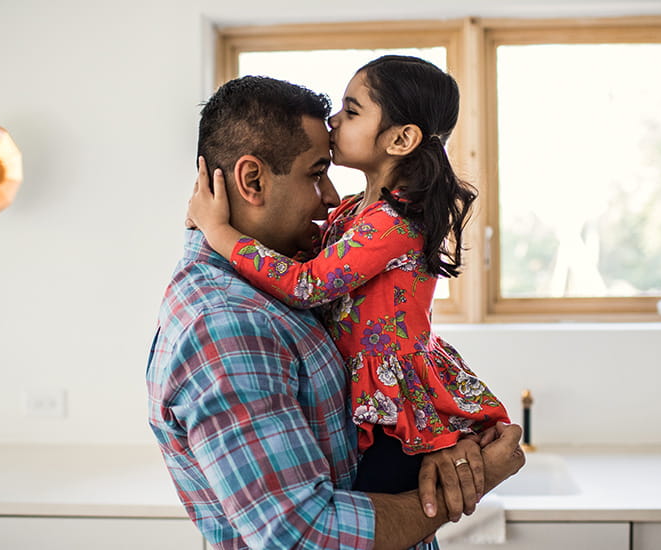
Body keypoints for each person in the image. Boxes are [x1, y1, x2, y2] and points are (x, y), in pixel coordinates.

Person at [148, 74, 525, 550]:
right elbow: (308, 536)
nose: (329, 199)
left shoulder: (290, 279)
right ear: (252, 180)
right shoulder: (228, 325)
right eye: (315, 173)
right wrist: (468, 484)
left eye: (351, 112)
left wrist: (446, 447)